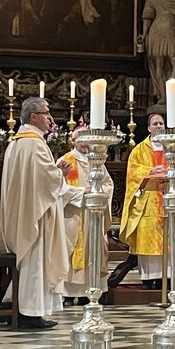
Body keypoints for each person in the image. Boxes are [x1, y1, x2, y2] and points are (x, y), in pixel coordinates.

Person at [0, 97, 74, 330]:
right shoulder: (34, 144)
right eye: (46, 113)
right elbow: (45, 179)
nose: (50, 118)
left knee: (31, 261)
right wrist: (60, 172)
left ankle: (20, 307)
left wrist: (54, 172)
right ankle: (29, 312)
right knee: (35, 261)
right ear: (33, 117)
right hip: (35, 216)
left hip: (22, 212)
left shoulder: (16, 143)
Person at [119, 113, 175, 290]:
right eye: (155, 123)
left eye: (161, 123)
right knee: (147, 239)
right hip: (148, 202)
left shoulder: (174, 150)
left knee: (169, 239)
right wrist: (152, 170)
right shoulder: (139, 150)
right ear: (149, 128)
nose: (158, 126)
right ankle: (148, 278)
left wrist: (171, 174)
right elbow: (132, 173)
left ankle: (167, 278)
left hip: (167, 200)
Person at [55, 126, 113, 306]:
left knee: (93, 249)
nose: (83, 142)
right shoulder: (65, 161)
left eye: (86, 138)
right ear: (73, 141)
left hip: (93, 215)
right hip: (72, 215)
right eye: (80, 138)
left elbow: (108, 184)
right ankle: (67, 294)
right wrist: (82, 192)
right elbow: (58, 187)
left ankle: (90, 291)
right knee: (70, 251)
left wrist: (98, 194)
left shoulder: (97, 161)